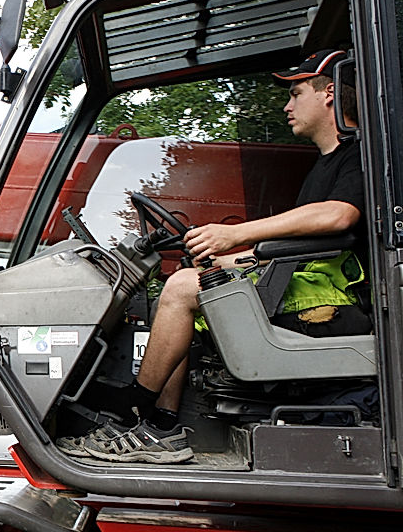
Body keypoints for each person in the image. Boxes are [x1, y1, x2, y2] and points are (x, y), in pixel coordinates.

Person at [60, 48, 366, 464]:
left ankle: (128, 411)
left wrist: (235, 234)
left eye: (295, 94)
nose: (286, 105)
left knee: (185, 289)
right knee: (192, 280)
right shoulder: (323, 166)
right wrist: (224, 262)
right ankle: (163, 428)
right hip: (304, 283)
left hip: (332, 302)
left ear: (328, 93)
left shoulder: (358, 156)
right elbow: (296, 249)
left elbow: (338, 216)